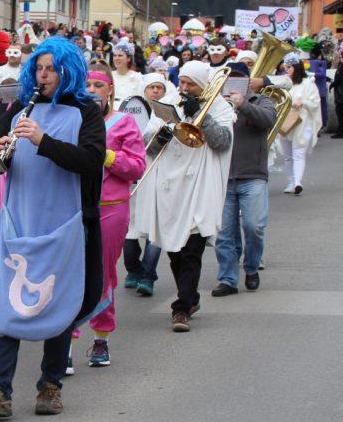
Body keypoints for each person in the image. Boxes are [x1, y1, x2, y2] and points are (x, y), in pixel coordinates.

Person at [0, 38, 105, 419]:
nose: (43, 75)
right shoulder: (17, 109)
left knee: (58, 303)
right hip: (19, 217)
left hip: (65, 222)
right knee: (7, 301)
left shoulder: (87, 112)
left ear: (68, 72)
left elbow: (91, 162)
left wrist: (43, 140)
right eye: (39, 68)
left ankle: (50, 386)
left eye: (52, 69)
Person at [134, 60, 234, 332]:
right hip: (170, 188)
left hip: (199, 185)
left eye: (191, 84)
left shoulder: (219, 107)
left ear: (202, 85)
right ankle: (191, 298)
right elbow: (148, 145)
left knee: (191, 250)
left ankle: (180, 309)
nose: (185, 88)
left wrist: (202, 114)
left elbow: (223, 142)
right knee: (175, 250)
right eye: (183, 82)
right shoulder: (168, 102)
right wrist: (163, 134)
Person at [72, 66, 145, 368]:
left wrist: (106, 155)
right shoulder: (72, 119)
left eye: (98, 85)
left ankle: (101, 338)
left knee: (102, 272)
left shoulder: (124, 122)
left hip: (111, 208)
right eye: (87, 85)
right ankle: (66, 340)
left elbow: (137, 167)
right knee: (72, 273)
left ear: (110, 90)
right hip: (74, 206)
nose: (92, 90)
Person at [212, 61, 277, 296]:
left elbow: (268, 120)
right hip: (223, 176)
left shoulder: (261, 100)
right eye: (229, 79)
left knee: (254, 226)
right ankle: (228, 279)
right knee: (224, 233)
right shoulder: (215, 103)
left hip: (253, 175)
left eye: (238, 78)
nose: (232, 83)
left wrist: (244, 105)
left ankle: (251, 267)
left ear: (247, 81)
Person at [122, 72, 171, 297]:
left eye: (159, 87)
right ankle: (133, 269)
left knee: (155, 228)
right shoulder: (131, 110)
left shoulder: (170, 112)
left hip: (158, 177)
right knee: (130, 227)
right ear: (144, 90)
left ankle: (148, 275)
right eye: (152, 87)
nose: (155, 91)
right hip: (133, 177)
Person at [277, 53, 320, 196]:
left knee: (298, 153)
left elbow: (315, 103)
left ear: (296, 67)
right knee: (288, 155)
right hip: (285, 122)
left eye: (289, 67)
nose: (287, 70)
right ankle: (291, 181)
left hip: (302, 123)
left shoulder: (308, 83)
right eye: (285, 67)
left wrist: (303, 103)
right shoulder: (284, 83)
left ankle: (297, 182)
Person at [110, 41, 142, 107]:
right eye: (115, 56)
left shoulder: (138, 77)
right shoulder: (109, 76)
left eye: (120, 55)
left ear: (128, 58)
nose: (116, 58)